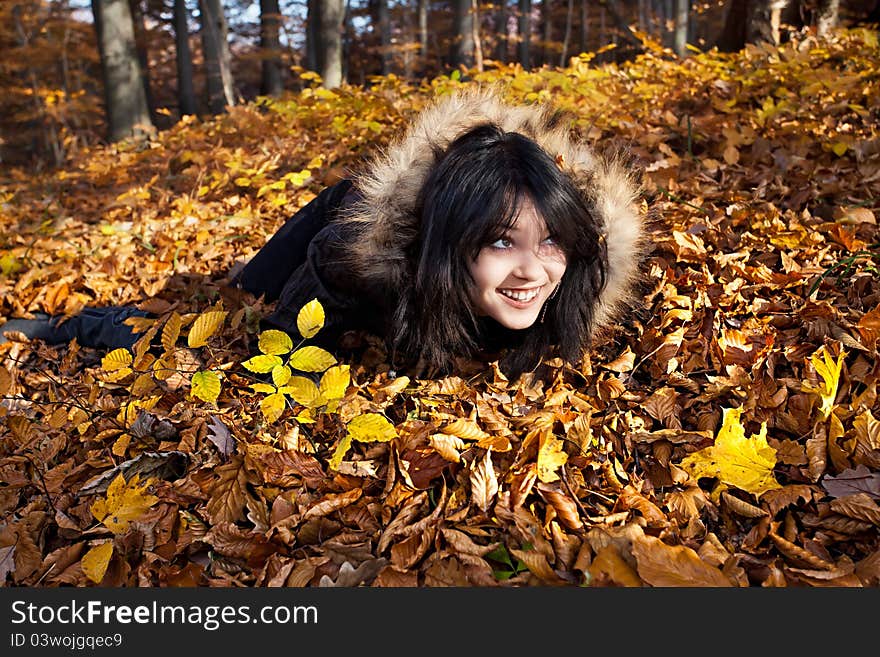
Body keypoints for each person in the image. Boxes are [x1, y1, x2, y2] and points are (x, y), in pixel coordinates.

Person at [0, 87, 647, 380]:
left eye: (549, 240)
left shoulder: (578, 272)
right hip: (336, 215)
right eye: (503, 241)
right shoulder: (358, 261)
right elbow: (277, 349)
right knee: (235, 307)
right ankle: (65, 326)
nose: (534, 270)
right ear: (451, 249)